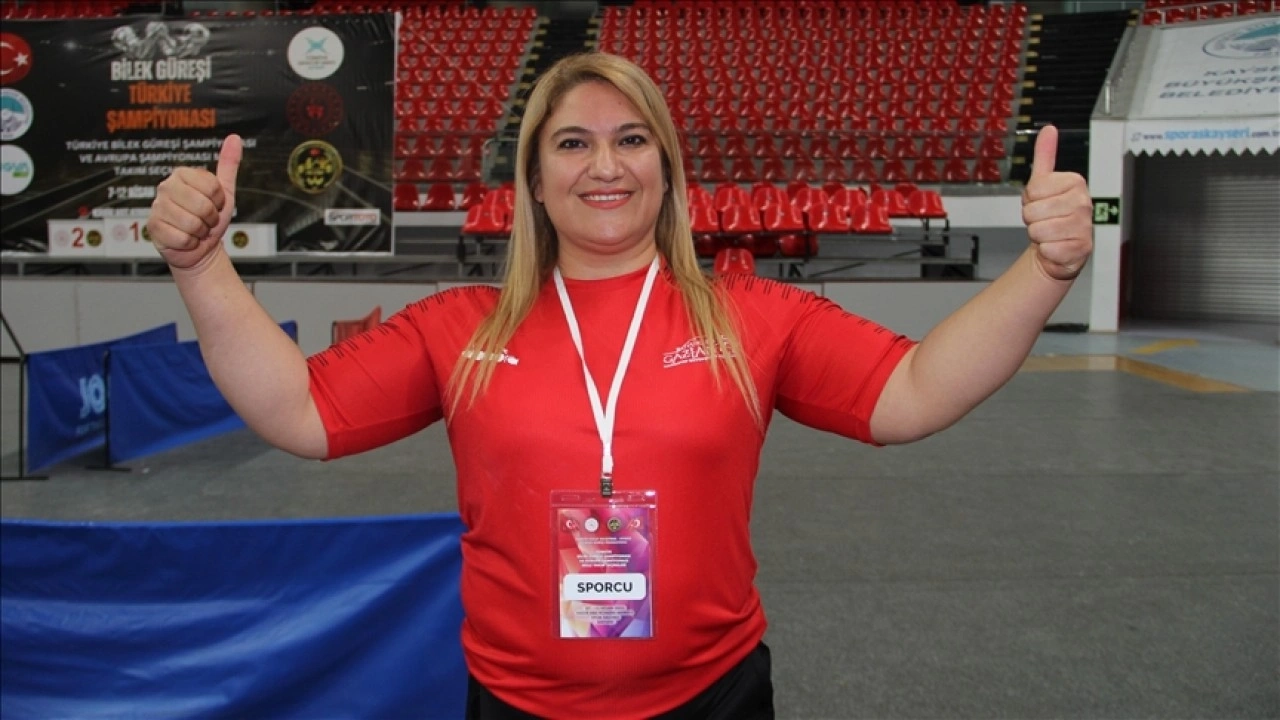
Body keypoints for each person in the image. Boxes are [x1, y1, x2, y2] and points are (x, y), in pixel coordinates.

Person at [147, 52, 1093, 720]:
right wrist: (201, 268)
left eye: (631, 139)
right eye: (572, 143)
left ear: (666, 171)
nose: (604, 165)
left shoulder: (749, 316)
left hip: (713, 697)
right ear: (534, 180)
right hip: (517, 704)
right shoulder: (461, 327)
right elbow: (298, 411)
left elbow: (918, 389)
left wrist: (1044, 272)